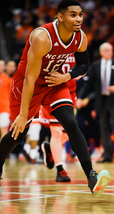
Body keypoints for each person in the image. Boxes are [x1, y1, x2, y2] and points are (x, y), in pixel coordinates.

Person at [0, 0, 111, 198]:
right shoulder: (43, 37)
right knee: (18, 134)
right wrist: (24, 115)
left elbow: (84, 65)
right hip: (29, 83)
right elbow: (29, 78)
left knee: (70, 122)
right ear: (60, 17)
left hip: (55, 80)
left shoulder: (81, 37)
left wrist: (66, 76)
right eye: (73, 15)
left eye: (80, 14)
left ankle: (91, 175)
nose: (78, 18)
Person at [77, 42, 114, 163]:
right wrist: (80, 97)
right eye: (107, 50)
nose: (110, 52)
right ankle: (107, 154)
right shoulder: (96, 66)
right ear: (101, 52)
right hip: (101, 100)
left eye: (111, 50)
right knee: (103, 129)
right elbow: (88, 84)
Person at [40, 52, 77, 182]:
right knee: (55, 132)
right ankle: (60, 170)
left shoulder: (77, 45)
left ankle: (50, 149)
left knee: (68, 134)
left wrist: (73, 74)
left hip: (71, 94)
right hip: (53, 92)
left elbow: (83, 69)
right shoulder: (50, 46)